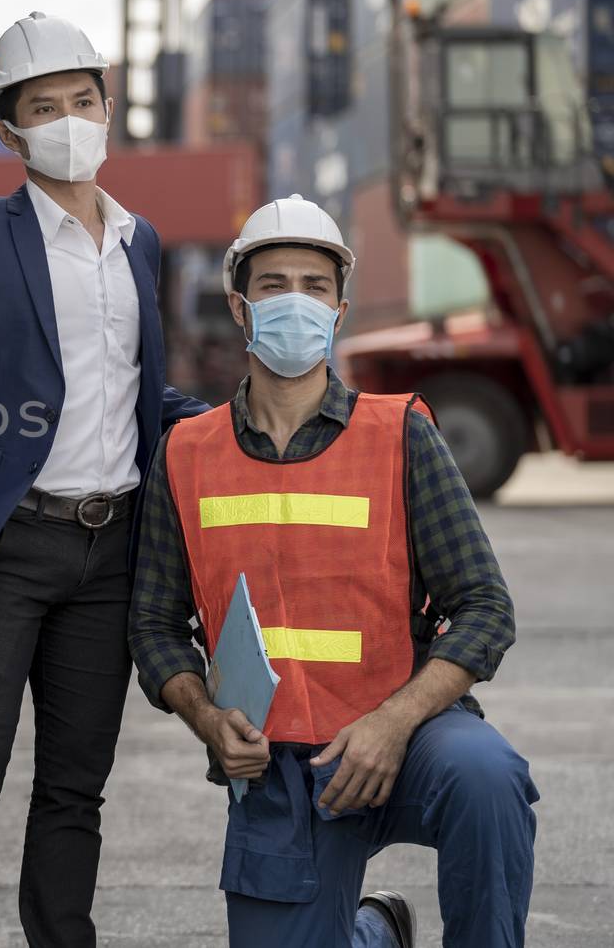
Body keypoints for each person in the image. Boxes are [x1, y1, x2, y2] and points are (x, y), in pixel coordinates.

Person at [0, 11, 209, 946]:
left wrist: (222, 426)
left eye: (82, 100)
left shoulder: (141, 242)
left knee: (74, 786)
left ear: (109, 109)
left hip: (114, 550)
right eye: (42, 106)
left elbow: (137, 387)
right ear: (9, 131)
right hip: (3, 543)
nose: (68, 118)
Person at [129, 195, 538, 947]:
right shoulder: (185, 452)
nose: (295, 301)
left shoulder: (402, 434)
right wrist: (209, 720)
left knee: (487, 777)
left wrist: (393, 720)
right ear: (240, 307)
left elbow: (485, 607)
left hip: (406, 738)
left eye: (314, 286)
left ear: (340, 308)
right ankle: (376, 933)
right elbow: (153, 625)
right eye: (274, 283)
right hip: (277, 770)